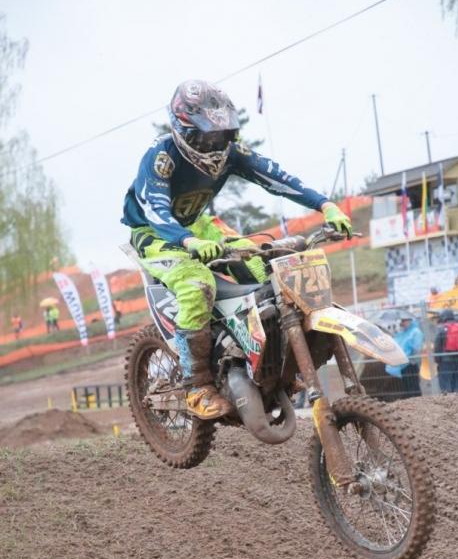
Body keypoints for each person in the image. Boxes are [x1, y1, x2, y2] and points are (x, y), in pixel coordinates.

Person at [121, 79, 351, 419]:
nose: (216, 144)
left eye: (222, 135)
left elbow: (277, 177)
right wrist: (187, 241)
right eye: (207, 136)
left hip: (197, 225)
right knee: (197, 285)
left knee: (263, 262)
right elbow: (155, 209)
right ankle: (197, 385)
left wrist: (326, 205)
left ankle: (272, 361)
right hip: (153, 232)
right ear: (185, 130)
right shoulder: (161, 157)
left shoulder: (231, 153)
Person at [385, 315, 424, 398]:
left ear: (409, 320)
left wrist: (412, 360)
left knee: (413, 385)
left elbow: (417, 348)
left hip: (411, 363)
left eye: (404, 321)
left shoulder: (415, 332)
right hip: (403, 363)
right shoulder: (405, 332)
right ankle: (410, 401)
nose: (402, 323)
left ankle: (417, 401)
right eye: (402, 321)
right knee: (407, 385)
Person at [434, 308, 458, 393]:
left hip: (446, 359)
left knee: (446, 382)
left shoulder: (442, 328)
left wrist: (437, 359)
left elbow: (437, 345)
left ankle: (447, 399)